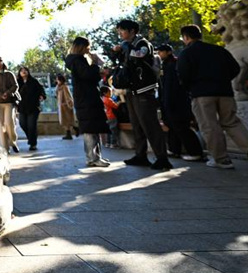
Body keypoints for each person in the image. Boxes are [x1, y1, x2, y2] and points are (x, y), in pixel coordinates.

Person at [176, 25, 248, 169]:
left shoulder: (186, 53)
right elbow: (235, 68)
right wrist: (223, 80)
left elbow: (183, 74)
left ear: (186, 37)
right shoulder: (219, 50)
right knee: (232, 123)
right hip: (225, 92)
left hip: (202, 94)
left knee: (210, 126)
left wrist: (191, 88)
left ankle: (221, 159)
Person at [112, 19, 172, 171]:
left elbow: (138, 56)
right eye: (119, 31)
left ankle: (162, 158)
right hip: (131, 90)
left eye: (122, 30)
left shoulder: (143, 43)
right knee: (137, 125)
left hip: (144, 90)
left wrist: (125, 47)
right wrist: (118, 52)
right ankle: (140, 155)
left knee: (150, 124)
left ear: (132, 31)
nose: (120, 33)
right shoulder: (128, 45)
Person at [65, 37, 111, 167]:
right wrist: (95, 64)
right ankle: (92, 158)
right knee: (90, 129)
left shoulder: (77, 60)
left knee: (93, 128)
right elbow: (88, 75)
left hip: (87, 98)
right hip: (86, 99)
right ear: (81, 47)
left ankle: (96, 156)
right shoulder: (77, 61)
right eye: (87, 47)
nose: (89, 49)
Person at [156, 44, 205, 161]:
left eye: (161, 51)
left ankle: (195, 152)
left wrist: (167, 101)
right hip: (169, 101)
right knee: (172, 126)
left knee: (181, 127)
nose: (159, 54)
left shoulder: (173, 64)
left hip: (177, 101)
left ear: (168, 52)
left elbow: (171, 86)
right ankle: (174, 149)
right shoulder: (165, 65)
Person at [0, 56, 19, 154]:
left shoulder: (9, 74)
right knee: (1, 126)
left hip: (9, 102)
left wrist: (7, 93)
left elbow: (15, 86)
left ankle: (13, 142)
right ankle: (4, 148)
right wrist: (0, 95)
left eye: (0, 61)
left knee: (9, 123)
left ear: (3, 63)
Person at [16, 67, 45, 152]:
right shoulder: (17, 83)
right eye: (22, 71)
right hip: (22, 108)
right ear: (19, 73)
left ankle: (33, 144)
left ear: (28, 72)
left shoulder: (34, 81)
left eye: (25, 70)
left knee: (31, 126)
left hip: (33, 107)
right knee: (22, 124)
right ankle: (32, 138)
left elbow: (41, 90)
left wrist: (42, 96)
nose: (24, 72)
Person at [56, 74, 76, 140]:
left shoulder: (64, 87)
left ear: (61, 80)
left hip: (65, 107)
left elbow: (68, 97)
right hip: (62, 107)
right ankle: (70, 133)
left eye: (58, 80)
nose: (57, 81)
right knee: (65, 121)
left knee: (67, 121)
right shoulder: (59, 87)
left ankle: (72, 132)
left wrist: (69, 105)